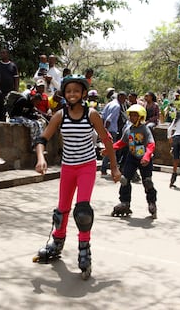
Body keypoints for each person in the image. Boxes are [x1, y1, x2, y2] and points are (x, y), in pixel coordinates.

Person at [33, 74, 121, 279]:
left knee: (82, 211)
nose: (72, 94)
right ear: (64, 93)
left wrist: (115, 168)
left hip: (86, 167)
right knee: (62, 209)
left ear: (82, 94)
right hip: (68, 167)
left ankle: (84, 250)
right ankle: (56, 243)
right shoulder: (59, 115)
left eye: (76, 91)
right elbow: (42, 138)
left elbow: (107, 141)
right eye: (68, 91)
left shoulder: (91, 115)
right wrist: (40, 157)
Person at [105, 104, 158, 219]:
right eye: (131, 115)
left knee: (147, 182)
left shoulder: (145, 129)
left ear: (140, 117)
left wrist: (147, 156)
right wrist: (109, 149)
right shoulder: (128, 129)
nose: (132, 117)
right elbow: (122, 142)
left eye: (135, 115)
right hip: (132, 157)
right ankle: (125, 202)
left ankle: (152, 203)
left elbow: (151, 144)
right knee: (124, 180)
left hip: (144, 159)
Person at [100, 90, 122, 176]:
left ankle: (105, 168)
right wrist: (106, 130)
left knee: (109, 149)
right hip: (111, 130)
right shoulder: (117, 106)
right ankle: (105, 168)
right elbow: (109, 119)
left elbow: (103, 116)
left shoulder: (109, 104)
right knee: (111, 150)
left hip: (106, 129)